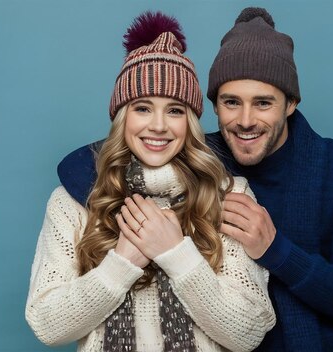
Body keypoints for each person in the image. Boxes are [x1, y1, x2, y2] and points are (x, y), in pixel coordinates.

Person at [58, 7, 333, 351]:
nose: (245, 120)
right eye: (231, 102)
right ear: (213, 107)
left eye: (263, 103)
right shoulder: (198, 159)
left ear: (291, 103)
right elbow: (96, 160)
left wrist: (276, 250)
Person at [25, 11, 275, 352]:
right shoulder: (75, 197)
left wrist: (175, 253)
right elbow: (46, 323)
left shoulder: (228, 193)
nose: (158, 126)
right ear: (121, 117)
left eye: (174, 110)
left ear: (190, 122)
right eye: (142, 108)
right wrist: (122, 263)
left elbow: (247, 332)